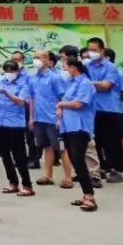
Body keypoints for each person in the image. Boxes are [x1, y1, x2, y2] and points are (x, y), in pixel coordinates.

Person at [58, 57, 99, 212]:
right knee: (76, 162)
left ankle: (90, 197)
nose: (64, 69)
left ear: (74, 67)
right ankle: (85, 194)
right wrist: (60, 108)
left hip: (80, 127)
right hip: (68, 127)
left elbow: (79, 104)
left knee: (79, 161)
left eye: (65, 66)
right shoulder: (71, 83)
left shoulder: (85, 83)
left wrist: (61, 104)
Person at [85, 38, 123, 184]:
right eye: (90, 49)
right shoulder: (87, 66)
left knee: (111, 142)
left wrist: (89, 83)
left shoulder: (110, 67)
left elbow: (106, 86)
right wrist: (92, 84)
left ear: (102, 51)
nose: (92, 52)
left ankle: (116, 170)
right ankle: (99, 170)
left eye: (94, 50)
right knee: (95, 141)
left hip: (110, 109)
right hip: (92, 109)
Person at [29, 50, 72, 188]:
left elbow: (62, 97)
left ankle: (68, 177)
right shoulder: (33, 78)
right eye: (34, 57)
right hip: (39, 119)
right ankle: (48, 176)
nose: (36, 60)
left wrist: (60, 113)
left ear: (47, 60)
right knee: (46, 147)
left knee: (61, 148)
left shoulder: (55, 77)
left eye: (39, 57)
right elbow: (31, 98)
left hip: (53, 119)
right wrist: (31, 117)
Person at [0, 60, 34, 196]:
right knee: (4, 155)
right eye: (7, 71)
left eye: (12, 71)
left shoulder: (23, 85)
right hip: (0, 123)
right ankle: (13, 183)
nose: (9, 73)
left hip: (16, 124)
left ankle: (27, 185)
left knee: (19, 156)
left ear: (17, 71)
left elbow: (21, 102)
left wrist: (7, 93)